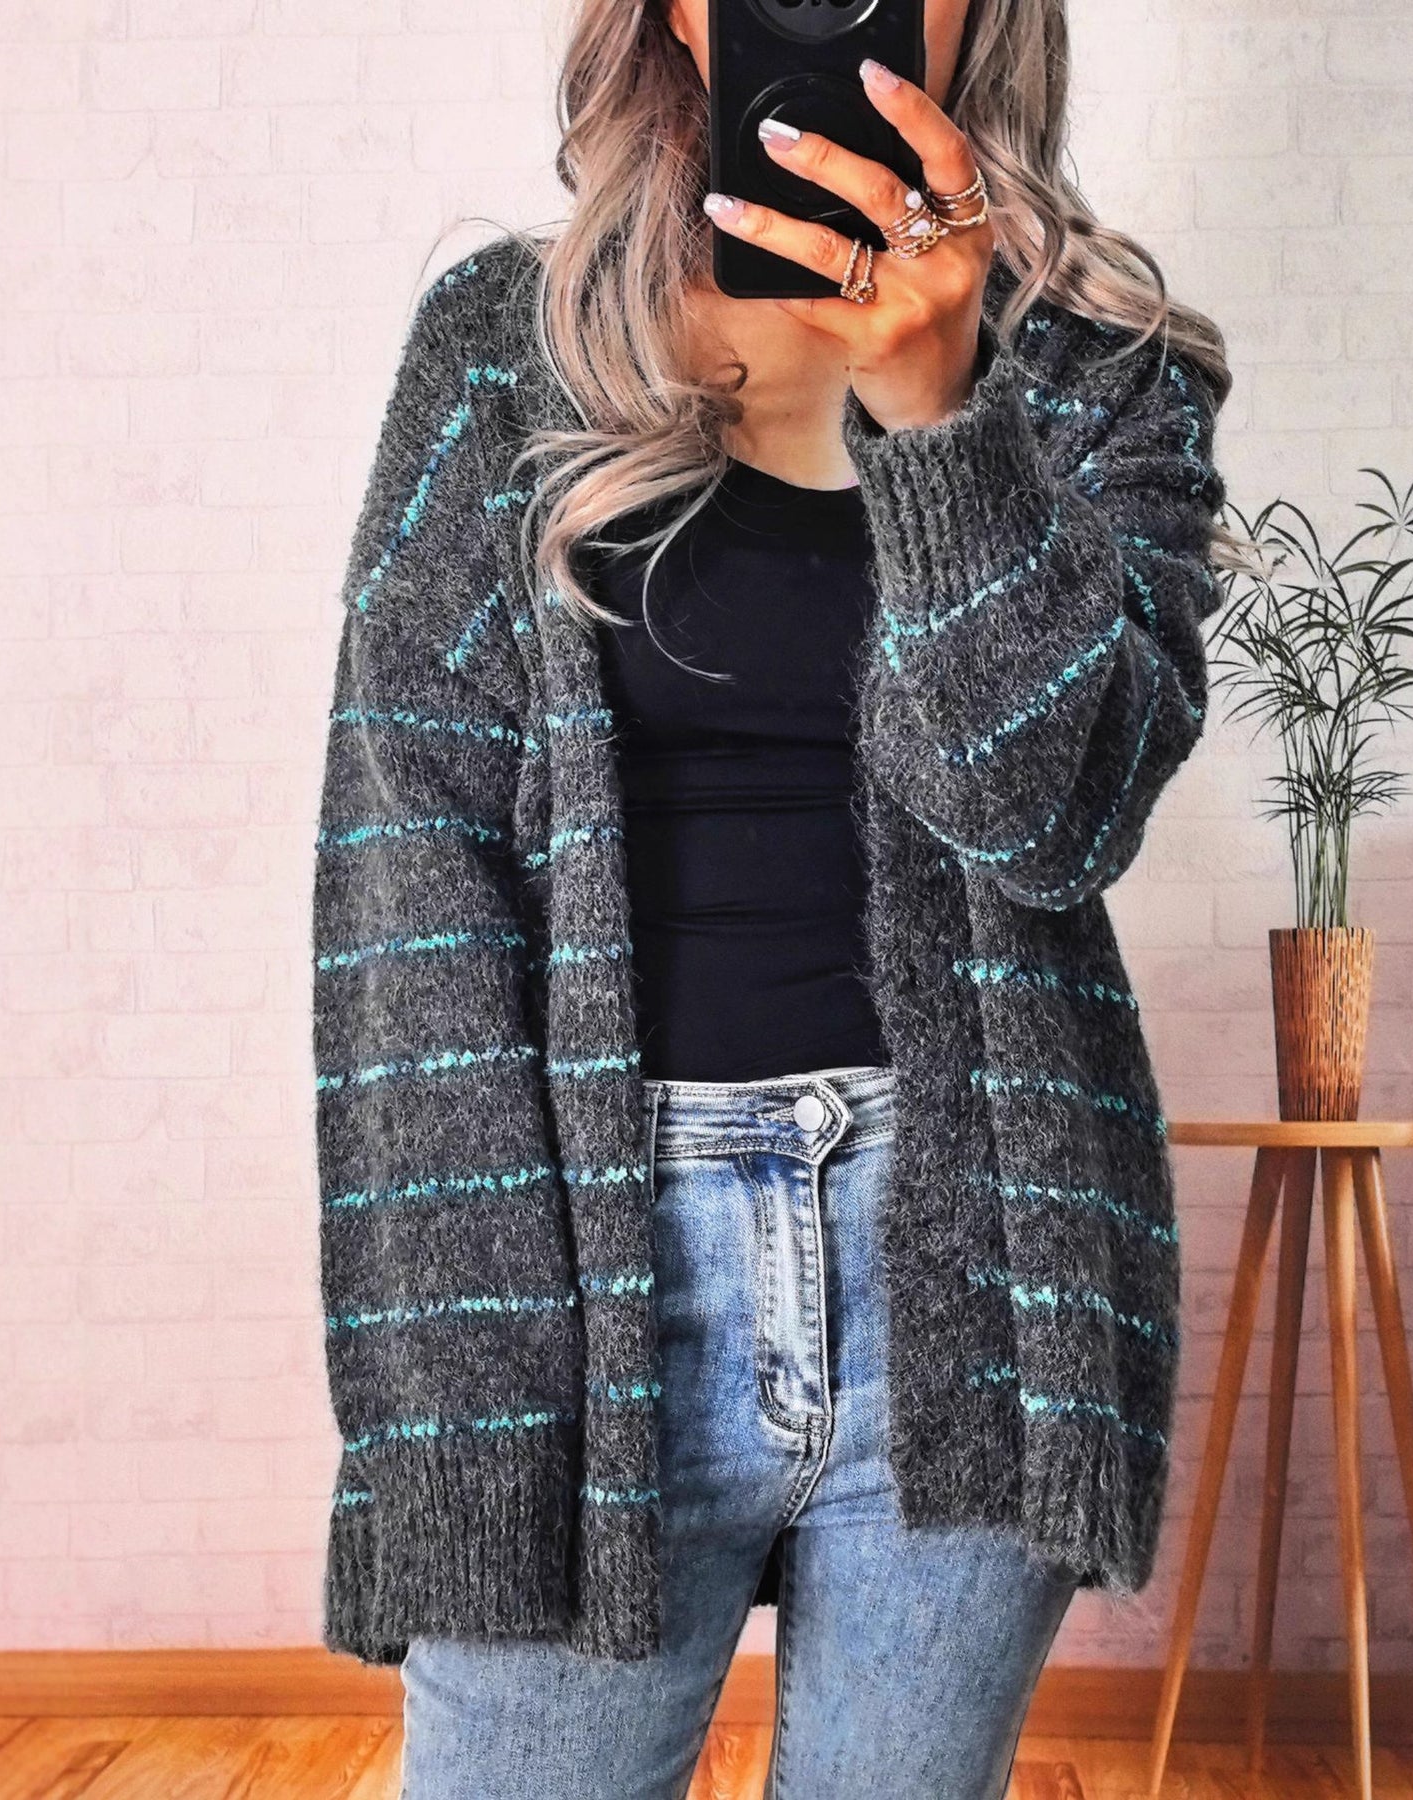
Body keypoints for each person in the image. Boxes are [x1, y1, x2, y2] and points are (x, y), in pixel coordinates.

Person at [310, 1, 1233, 1794]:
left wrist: (944, 416)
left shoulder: (1105, 372)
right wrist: (462, 1377)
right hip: (579, 1267)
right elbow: (404, 887)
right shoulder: (501, 348)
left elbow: (1055, 820)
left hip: (973, 1268)